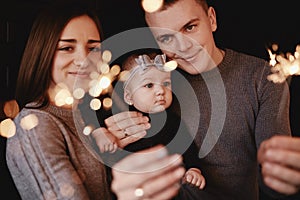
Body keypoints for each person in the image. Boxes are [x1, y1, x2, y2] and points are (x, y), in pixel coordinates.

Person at [105, 0, 292, 199]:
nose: (183, 46)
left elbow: (277, 177)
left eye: (190, 27)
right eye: (167, 38)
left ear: (211, 19)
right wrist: (110, 141)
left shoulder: (263, 78)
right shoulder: (151, 82)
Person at [5, 1, 185, 200]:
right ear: (43, 52)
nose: (84, 59)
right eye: (66, 48)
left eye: (93, 48)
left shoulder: (88, 117)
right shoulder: (35, 126)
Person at [95, 50, 206, 189]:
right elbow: (98, 116)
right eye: (149, 85)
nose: (161, 91)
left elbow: (187, 148)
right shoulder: (119, 116)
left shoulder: (173, 122)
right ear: (128, 97)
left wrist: (193, 169)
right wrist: (100, 133)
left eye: (166, 84)